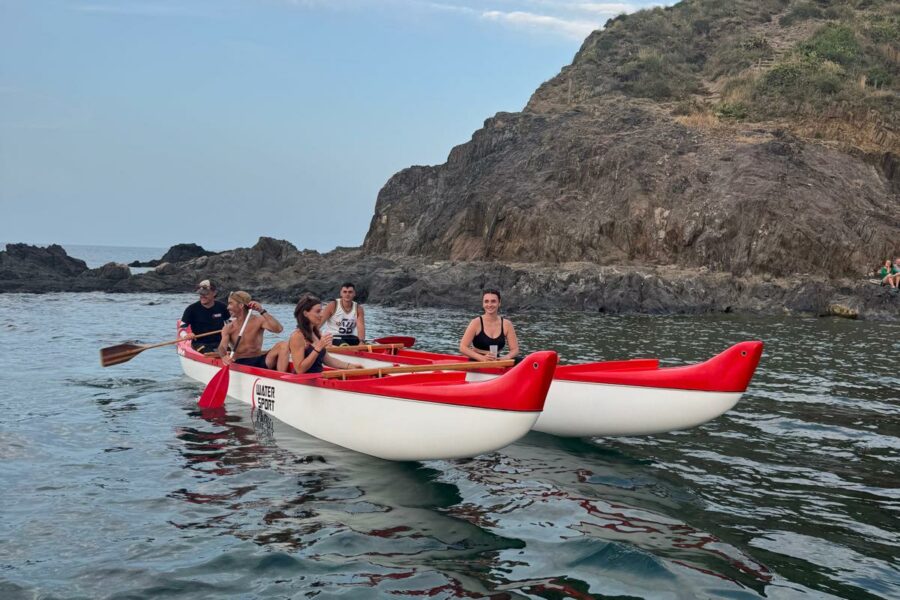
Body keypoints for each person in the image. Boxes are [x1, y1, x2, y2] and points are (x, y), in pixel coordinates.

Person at [280, 294, 363, 374]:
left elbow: (327, 360)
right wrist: (318, 348)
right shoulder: (297, 336)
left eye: (321, 311)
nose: (321, 315)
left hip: (318, 378)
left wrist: (350, 366)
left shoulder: (316, 333)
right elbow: (300, 369)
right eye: (318, 311)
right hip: (306, 383)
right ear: (305, 313)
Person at [217, 291, 285, 368]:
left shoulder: (259, 320)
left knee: (283, 345)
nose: (227, 307)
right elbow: (222, 347)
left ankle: (282, 377)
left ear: (241, 305)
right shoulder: (229, 327)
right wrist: (224, 356)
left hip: (259, 360)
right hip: (240, 363)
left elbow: (279, 329)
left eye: (230, 303)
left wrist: (261, 311)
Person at [459, 289, 520, 362]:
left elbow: (515, 349)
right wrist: (482, 358)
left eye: (493, 301)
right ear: (483, 304)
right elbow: (463, 347)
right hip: (477, 361)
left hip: (497, 360)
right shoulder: (476, 323)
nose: (489, 305)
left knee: (522, 361)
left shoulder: (507, 324)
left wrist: (506, 357)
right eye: (486, 301)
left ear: (499, 303)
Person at [180, 279, 229, 353]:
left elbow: (231, 324)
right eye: (201, 294)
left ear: (214, 293)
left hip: (220, 342)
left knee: (231, 353)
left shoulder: (222, 307)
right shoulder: (191, 309)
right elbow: (181, 329)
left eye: (206, 294)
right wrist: (186, 335)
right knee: (208, 352)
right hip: (199, 343)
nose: (202, 296)